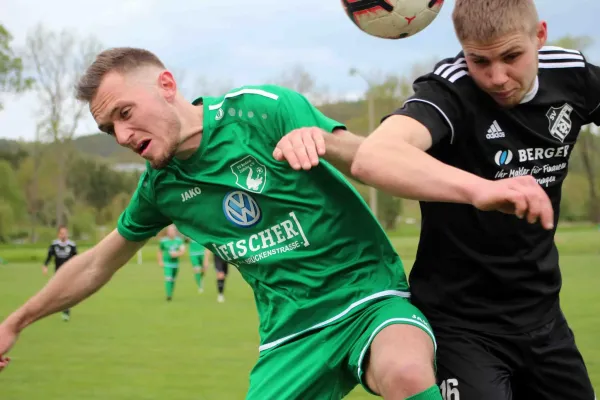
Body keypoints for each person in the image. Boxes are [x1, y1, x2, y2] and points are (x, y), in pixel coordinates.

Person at [0, 47, 442, 400]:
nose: (121, 137)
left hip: (368, 297)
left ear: (166, 85)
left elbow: (374, 160)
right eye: (107, 129)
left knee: (405, 372)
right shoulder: (160, 188)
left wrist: (323, 140)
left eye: (125, 113)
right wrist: (14, 323)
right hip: (289, 335)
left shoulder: (261, 111)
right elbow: (96, 263)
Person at [273, 0, 599, 398]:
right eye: (480, 60)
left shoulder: (572, 75)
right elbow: (376, 157)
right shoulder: (451, 88)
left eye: (511, 56)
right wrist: (481, 189)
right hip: (460, 327)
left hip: (544, 320)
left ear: (541, 36)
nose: (497, 77)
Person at [42, 226, 77, 321]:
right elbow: (49, 256)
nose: (63, 235)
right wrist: (45, 266)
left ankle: (66, 312)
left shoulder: (72, 245)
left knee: (67, 292)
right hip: (58, 273)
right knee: (56, 292)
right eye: (61, 233)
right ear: (58, 234)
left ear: (67, 234)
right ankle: (53, 309)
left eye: (65, 233)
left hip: (69, 272)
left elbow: (76, 259)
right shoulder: (54, 245)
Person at [158, 225, 185, 301]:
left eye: (172, 231)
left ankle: (170, 291)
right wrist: (160, 261)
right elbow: (160, 251)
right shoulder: (163, 241)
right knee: (168, 278)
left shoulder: (179, 241)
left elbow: (182, 251)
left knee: (173, 279)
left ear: (175, 232)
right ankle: (168, 296)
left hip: (175, 264)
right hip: (167, 264)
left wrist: (177, 254)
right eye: (169, 231)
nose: (170, 232)